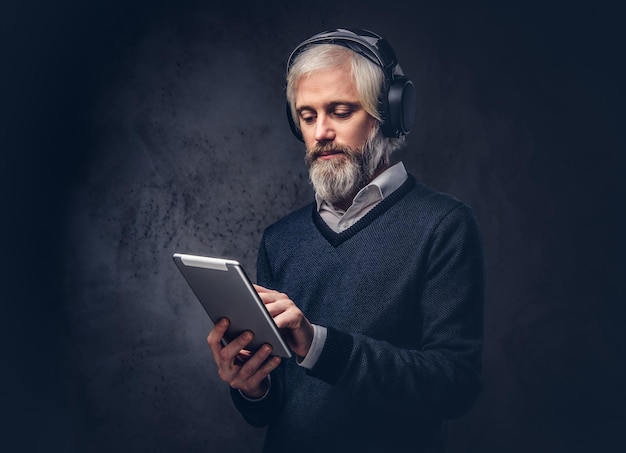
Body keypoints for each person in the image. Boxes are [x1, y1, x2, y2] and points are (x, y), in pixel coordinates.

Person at [207, 27, 485, 453]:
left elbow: (454, 385)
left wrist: (318, 344)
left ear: (389, 115)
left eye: (340, 111)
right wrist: (253, 387)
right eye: (307, 115)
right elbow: (273, 409)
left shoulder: (444, 225)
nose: (320, 133)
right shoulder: (280, 239)